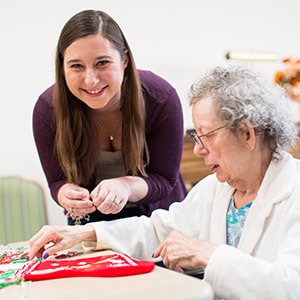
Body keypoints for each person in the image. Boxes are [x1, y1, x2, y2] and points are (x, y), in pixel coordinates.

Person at [29, 64, 300, 299]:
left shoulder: (293, 191)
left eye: (207, 135)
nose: (198, 150)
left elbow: (290, 287)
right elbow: (158, 230)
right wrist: (88, 234)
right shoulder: (216, 189)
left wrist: (209, 254)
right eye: (197, 137)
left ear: (247, 134)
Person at [32, 9, 187, 225]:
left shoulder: (160, 99)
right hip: (92, 228)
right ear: (62, 67)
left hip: (160, 223)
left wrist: (126, 185)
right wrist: (65, 193)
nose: (91, 80)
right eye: (76, 66)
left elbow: (164, 180)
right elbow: (58, 181)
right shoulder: (48, 109)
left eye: (102, 63)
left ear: (124, 59)